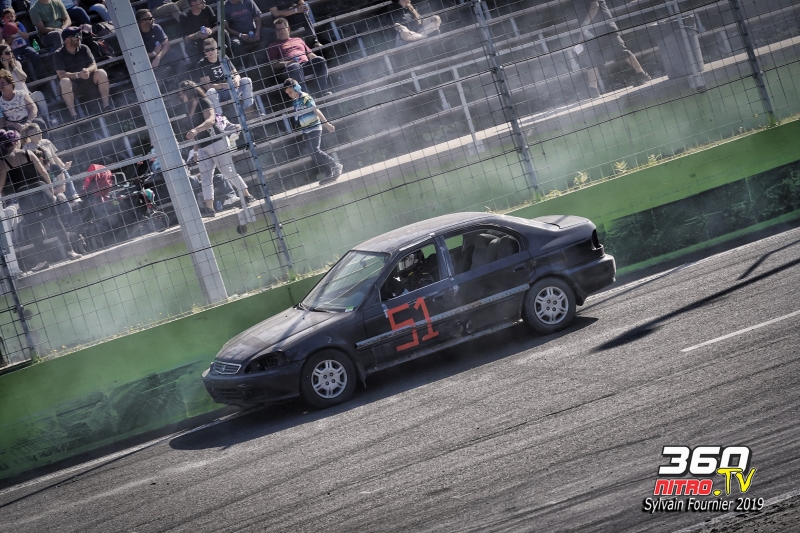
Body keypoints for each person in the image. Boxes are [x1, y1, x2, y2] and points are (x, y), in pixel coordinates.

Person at [0, 129, 81, 272]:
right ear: (16, 142)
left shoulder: (4, 162)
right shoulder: (28, 153)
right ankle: (71, 252)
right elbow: (43, 171)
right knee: (55, 221)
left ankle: (43, 261)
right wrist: (49, 188)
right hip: (40, 189)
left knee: (34, 228)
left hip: (24, 195)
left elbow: (1, 184)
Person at [178, 80, 254, 218]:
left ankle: (247, 195)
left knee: (227, 171)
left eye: (182, 93)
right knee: (205, 177)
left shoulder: (204, 101)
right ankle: (210, 209)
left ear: (188, 91)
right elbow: (194, 134)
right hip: (202, 145)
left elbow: (211, 120)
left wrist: (196, 130)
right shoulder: (188, 108)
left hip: (216, 141)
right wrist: (195, 150)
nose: (181, 96)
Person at [571, 0, 650, 98]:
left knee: (620, 51)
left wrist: (585, 25)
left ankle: (641, 74)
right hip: (591, 32)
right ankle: (592, 89)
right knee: (591, 58)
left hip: (605, 27)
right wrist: (582, 34)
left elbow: (595, 5)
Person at [283, 78, 342, 185]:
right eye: (288, 93)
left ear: (296, 88)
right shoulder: (295, 101)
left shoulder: (305, 97)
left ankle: (335, 165)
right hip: (306, 130)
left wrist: (327, 124)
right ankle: (329, 172)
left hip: (314, 128)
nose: (289, 95)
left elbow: (316, 110)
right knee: (313, 154)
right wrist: (303, 132)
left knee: (315, 150)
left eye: (290, 92)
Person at [54, 26, 111, 119]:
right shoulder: (58, 53)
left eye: (79, 34)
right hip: (71, 87)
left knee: (101, 72)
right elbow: (61, 74)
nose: (79, 37)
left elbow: (94, 65)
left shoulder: (84, 48)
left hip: (86, 82)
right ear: (67, 40)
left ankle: (106, 106)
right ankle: (74, 116)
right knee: (64, 81)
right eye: (76, 36)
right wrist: (78, 75)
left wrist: (87, 70)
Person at [267, 18, 331, 96]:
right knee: (295, 66)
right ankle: (305, 97)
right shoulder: (273, 46)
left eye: (282, 29)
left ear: (288, 29)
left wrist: (320, 61)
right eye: (278, 30)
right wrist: (289, 62)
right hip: (290, 69)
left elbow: (310, 54)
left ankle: (323, 92)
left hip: (305, 65)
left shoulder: (298, 39)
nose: (280, 32)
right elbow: (274, 64)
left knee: (320, 60)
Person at [22, 122, 79, 202]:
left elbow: (54, 157)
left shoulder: (46, 142)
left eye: (39, 130)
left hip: (53, 169)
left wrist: (63, 166)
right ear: (29, 136)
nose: (39, 133)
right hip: (40, 172)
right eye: (36, 132)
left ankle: (73, 195)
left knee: (64, 171)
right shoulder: (26, 148)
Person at [196, 38, 254, 116]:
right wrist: (224, 85)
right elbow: (207, 86)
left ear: (217, 49)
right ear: (204, 52)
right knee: (210, 92)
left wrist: (236, 80)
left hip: (232, 88)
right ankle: (220, 118)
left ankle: (249, 110)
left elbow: (236, 74)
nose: (210, 52)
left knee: (246, 80)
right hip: (218, 93)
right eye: (207, 50)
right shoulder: (202, 64)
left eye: (212, 49)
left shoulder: (224, 57)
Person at [0, 44, 48, 125]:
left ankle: (48, 120)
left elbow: (23, 79)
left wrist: (14, 66)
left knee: (39, 95)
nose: (10, 54)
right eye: (7, 53)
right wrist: (6, 67)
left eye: (11, 51)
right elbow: (9, 83)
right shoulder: (1, 71)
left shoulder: (16, 63)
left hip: (25, 96)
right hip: (11, 101)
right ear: (1, 56)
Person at [137, 9, 184, 76]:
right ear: (142, 22)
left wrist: (157, 57)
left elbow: (166, 45)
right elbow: (138, 56)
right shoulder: (136, 35)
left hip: (160, 57)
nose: (153, 19)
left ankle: (182, 79)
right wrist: (153, 53)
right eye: (150, 18)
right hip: (146, 63)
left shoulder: (156, 27)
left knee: (173, 53)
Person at [0, 69, 46, 134]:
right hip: (12, 125)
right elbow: (3, 120)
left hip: (27, 119)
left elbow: (33, 108)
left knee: (40, 123)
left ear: (10, 83)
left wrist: (28, 122)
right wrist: (14, 125)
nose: (0, 85)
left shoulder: (21, 94)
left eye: (2, 83)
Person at [1, 9, 44, 80]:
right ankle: (25, 78)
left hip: (25, 47)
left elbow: (26, 36)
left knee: (34, 53)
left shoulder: (19, 25)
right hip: (14, 50)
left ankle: (41, 75)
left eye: (11, 16)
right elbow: (7, 44)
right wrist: (11, 38)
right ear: (4, 19)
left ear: (15, 17)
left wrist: (17, 30)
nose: (10, 18)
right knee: (16, 60)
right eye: (7, 17)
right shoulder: (4, 30)